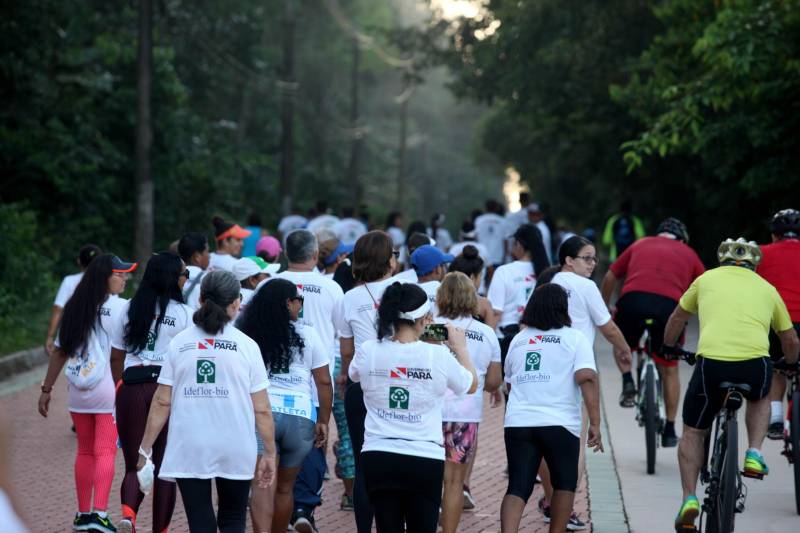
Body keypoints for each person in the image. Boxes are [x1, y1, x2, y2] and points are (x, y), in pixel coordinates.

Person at [664, 238, 800, 530]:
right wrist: (789, 362)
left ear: (721, 259)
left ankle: (689, 499)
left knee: (693, 431)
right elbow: (789, 339)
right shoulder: (767, 288)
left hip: (711, 365)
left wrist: (668, 346)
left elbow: (678, 317)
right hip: (754, 366)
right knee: (761, 397)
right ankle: (754, 452)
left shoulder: (705, 279)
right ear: (754, 264)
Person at [136, 270, 277, 533]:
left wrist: (145, 449)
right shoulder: (247, 346)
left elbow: (162, 402)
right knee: (233, 518)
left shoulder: (180, 343)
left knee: (200, 518)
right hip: (236, 443)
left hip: (190, 443)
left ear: (200, 299)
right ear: (236, 302)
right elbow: (262, 408)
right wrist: (269, 452)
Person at [349, 282, 478, 533]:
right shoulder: (437, 355)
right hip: (423, 457)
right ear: (426, 318)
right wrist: (460, 348)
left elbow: (354, 375)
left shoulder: (368, 350)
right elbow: (470, 384)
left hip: (378, 454)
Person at [38, 254, 137, 533]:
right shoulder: (121, 307)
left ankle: (82, 515)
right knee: (105, 451)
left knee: (84, 451)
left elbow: (60, 351)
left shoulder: (75, 306)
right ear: (105, 277)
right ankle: (100, 515)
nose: (125, 278)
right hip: (107, 386)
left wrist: (46, 389)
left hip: (78, 388)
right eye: (120, 273)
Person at [536, 236, 630, 529]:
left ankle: (550, 499)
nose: (593, 264)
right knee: (571, 444)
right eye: (587, 258)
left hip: (542, 368)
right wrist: (625, 351)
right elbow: (609, 328)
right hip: (574, 371)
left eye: (594, 259)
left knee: (541, 438)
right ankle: (566, 508)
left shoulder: (547, 283)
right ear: (568, 260)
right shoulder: (586, 287)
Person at [501, 283, 603, 533]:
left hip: (519, 423)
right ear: (563, 308)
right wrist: (595, 423)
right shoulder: (574, 338)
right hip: (559, 423)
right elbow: (587, 377)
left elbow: (509, 385)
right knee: (564, 484)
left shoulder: (519, 340)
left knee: (517, 486)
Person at [237, 278, 332, 533]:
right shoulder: (309, 334)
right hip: (300, 417)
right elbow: (323, 381)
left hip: (262, 414)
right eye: (298, 300)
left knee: (262, 484)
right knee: (285, 487)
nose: (301, 304)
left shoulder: (250, 333)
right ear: (287, 303)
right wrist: (323, 419)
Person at [109, 252, 193, 533]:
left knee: (136, 460)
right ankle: (161, 530)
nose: (186, 278)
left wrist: (120, 386)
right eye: (184, 274)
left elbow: (116, 356)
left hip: (131, 387)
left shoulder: (131, 307)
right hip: (166, 390)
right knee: (166, 467)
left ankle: (128, 516)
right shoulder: (183, 314)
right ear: (173, 278)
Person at [600, 218, 704, 444]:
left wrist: (603, 308)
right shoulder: (689, 253)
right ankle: (669, 429)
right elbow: (705, 286)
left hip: (633, 302)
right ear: (682, 238)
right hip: (668, 308)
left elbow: (610, 276)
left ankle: (628, 380)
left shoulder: (640, 244)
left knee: (622, 344)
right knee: (669, 367)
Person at [270, 229, 348, 527]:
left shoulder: (272, 285)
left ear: (286, 254)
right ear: (315, 254)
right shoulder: (330, 288)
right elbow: (344, 334)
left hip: (276, 382)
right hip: (316, 381)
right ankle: (303, 510)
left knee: (274, 450)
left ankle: (279, 513)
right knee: (316, 441)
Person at [336, 231, 400, 532]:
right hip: (401, 382)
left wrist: (344, 377)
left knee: (363, 464)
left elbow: (346, 351)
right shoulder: (405, 290)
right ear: (388, 260)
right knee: (398, 458)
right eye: (395, 253)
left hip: (361, 384)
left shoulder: (348, 297)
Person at [436, 273, 502, 532]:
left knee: (428, 477)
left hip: (429, 412)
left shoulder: (427, 327)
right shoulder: (486, 333)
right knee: (454, 483)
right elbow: (494, 381)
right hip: (465, 413)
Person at [757, 209, 800, 439]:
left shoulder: (762, 254)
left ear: (774, 235)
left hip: (777, 323)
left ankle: (775, 418)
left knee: (777, 367)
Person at [487, 224, 549, 362]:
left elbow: (495, 312)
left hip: (506, 340)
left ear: (519, 245)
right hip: (538, 340)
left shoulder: (504, 272)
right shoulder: (547, 273)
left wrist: (486, 345)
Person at [46, 244, 102, 356]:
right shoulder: (107, 282)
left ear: (79, 262)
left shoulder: (69, 281)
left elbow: (58, 309)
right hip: (99, 333)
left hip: (73, 332)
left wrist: (50, 336)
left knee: (74, 367)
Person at [449, 245, 497, 329]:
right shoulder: (484, 304)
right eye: (480, 276)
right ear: (472, 277)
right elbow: (491, 337)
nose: (480, 280)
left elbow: (430, 334)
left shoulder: (442, 300)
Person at [411, 244, 454, 312]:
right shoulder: (449, 292)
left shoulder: (409, 293)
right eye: (443, 265)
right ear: (437, 269)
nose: (445, 268)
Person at [178, 232, 211, 310]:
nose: (209, 256)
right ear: (197, 257)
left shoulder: (170, 276)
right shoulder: (208, 281)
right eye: (207, 251)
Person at [474, 199, 507, 269]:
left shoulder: (479, 220)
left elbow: (476, 238)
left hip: (482, 257)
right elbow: (505, 241)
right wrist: (505, 257)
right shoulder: (502, 221)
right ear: (496, 208)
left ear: (485, 208)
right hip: (498, 257)